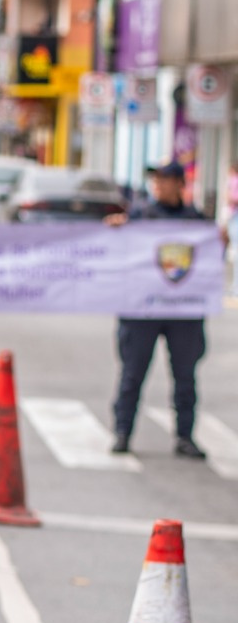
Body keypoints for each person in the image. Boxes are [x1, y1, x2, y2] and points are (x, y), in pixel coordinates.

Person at [105, 161, 209, 459]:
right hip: (142, 311)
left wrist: (219, 242)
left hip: (182, 312)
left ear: (180, 184)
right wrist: (115, 231)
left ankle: (185, 436)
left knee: (185, 377)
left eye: (164, 179)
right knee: (132, 374)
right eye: (155, 180)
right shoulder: (137, 217)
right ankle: (122, 432)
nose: (158, 185)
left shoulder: (196, 221)